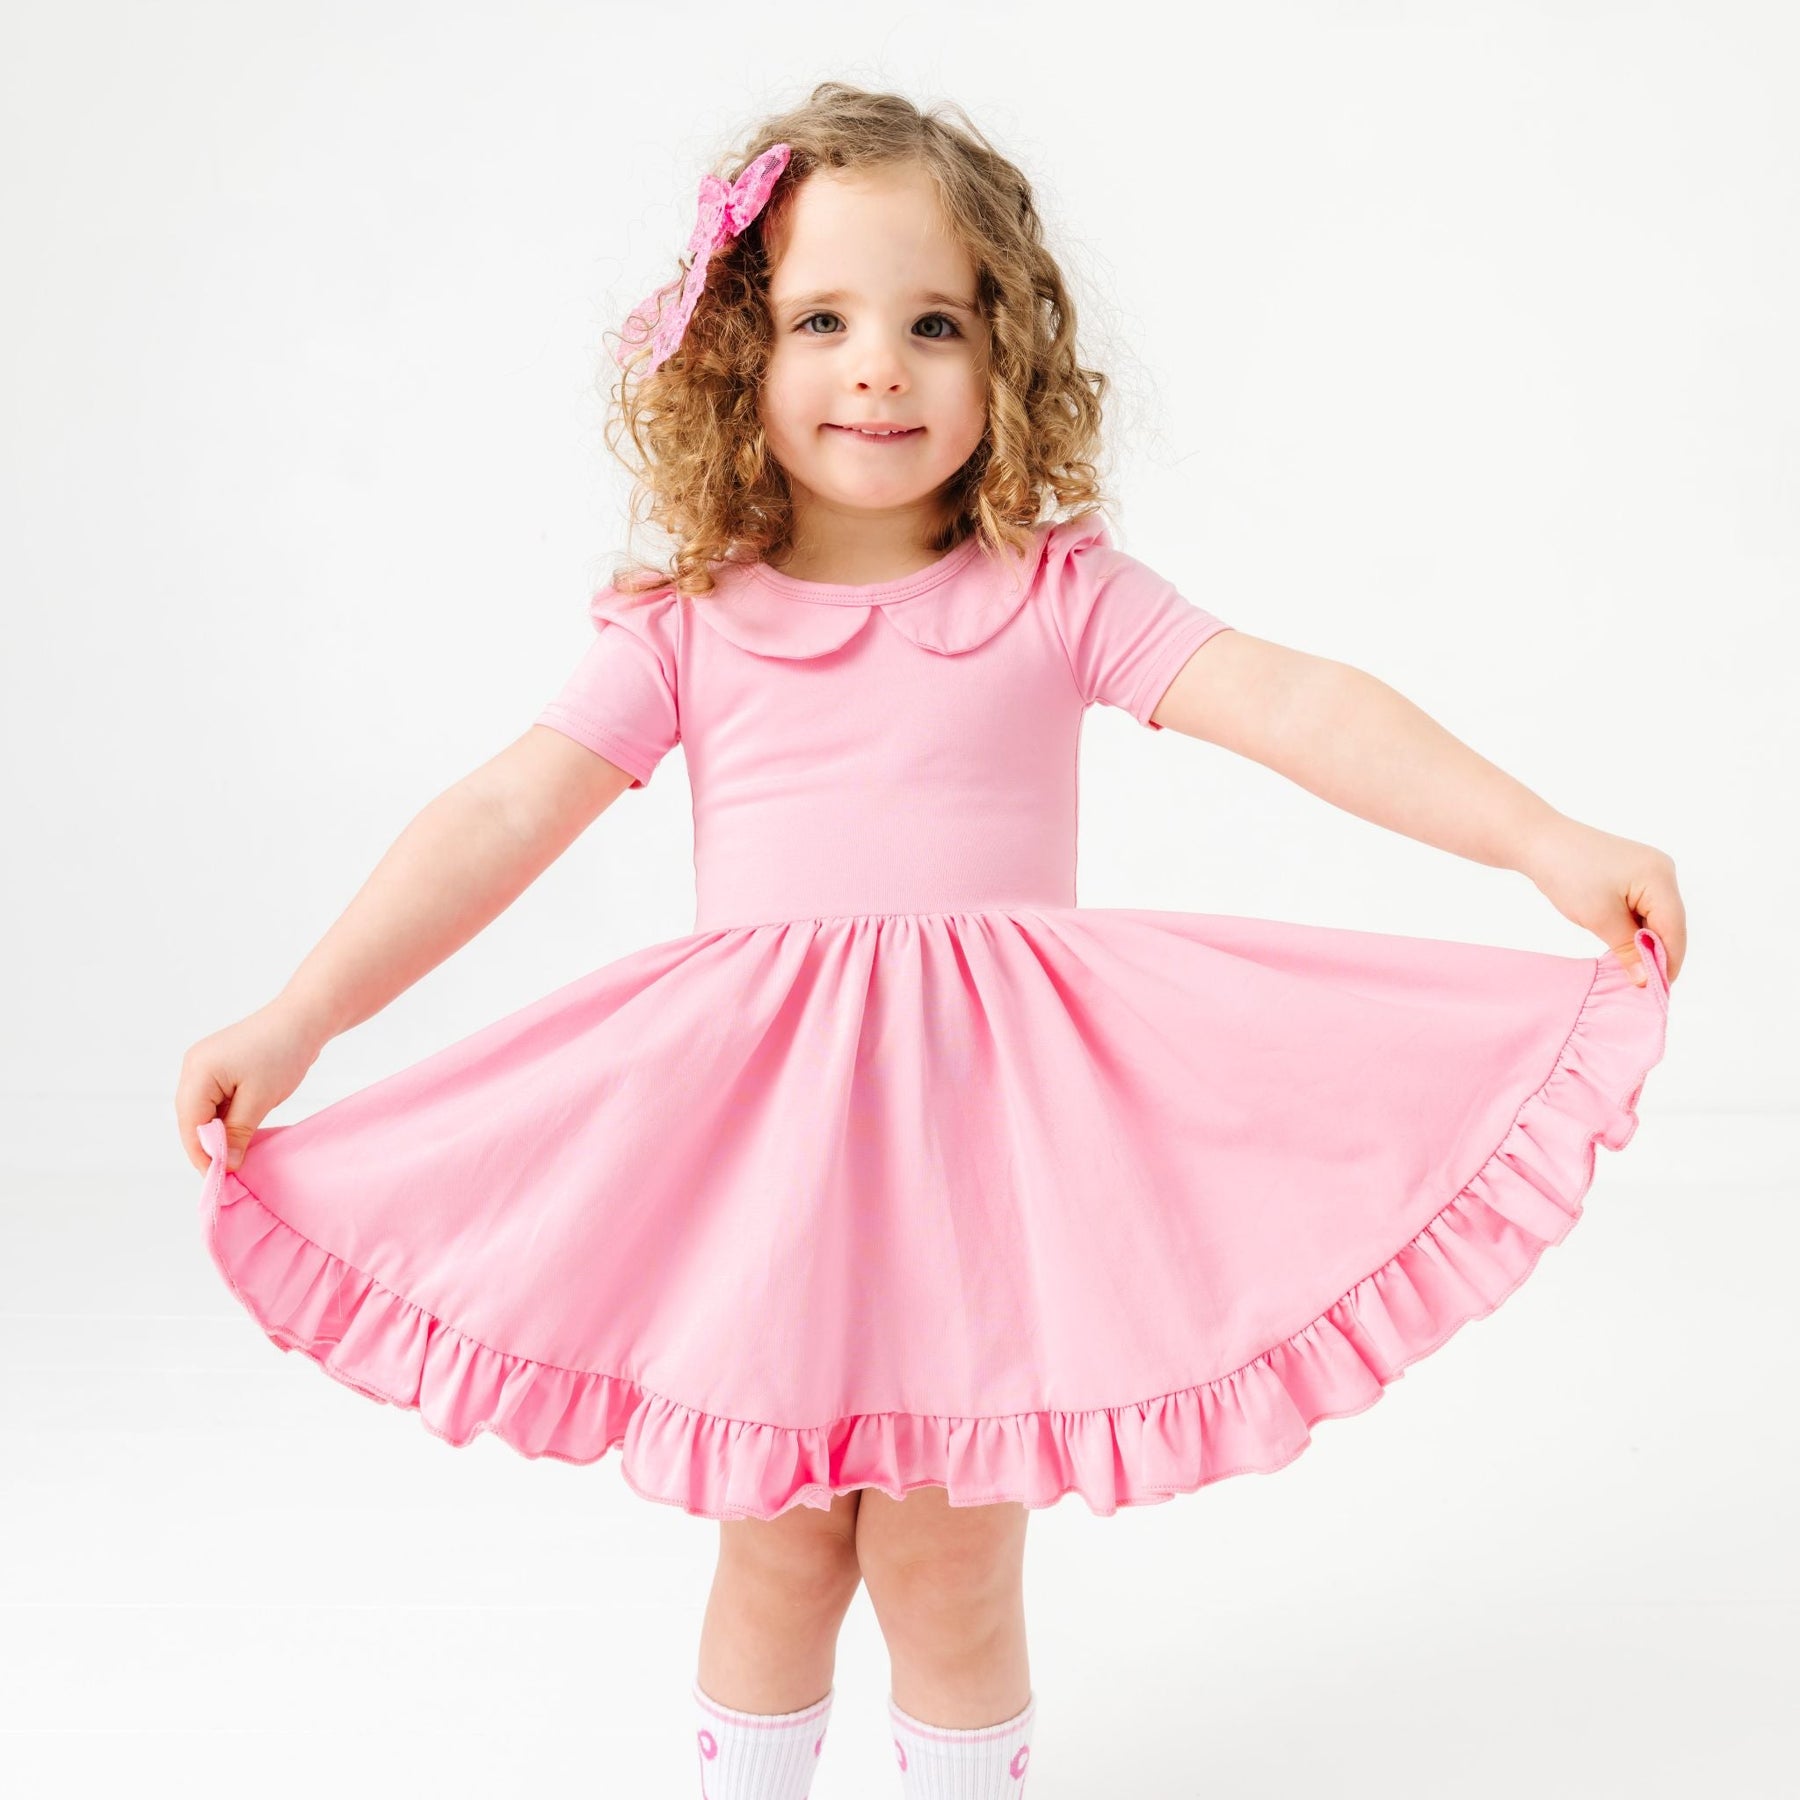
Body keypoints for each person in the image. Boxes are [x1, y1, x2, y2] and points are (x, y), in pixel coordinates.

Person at [175, 81, 1684, 1800]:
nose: (878, 368)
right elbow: (501, 816)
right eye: (822, 320)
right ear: (736, 354)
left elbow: (1295, 704)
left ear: (1007, 356)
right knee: (781, 1548)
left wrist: (1543, 841)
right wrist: (299, 1018)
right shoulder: (691, 628)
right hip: (767, 1171)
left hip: (987, 1167)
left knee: (953, 1560)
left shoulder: (1055, 593)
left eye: (934, 323)